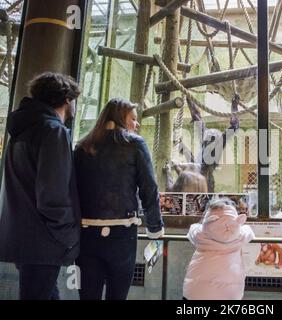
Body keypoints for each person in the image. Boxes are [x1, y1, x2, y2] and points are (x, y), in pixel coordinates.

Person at [0, 72, 81, 300]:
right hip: (43, 240)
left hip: (20, 236)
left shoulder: (21, 131)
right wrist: (69, 235)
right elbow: (53, 194)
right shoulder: (53, 132)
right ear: (66, 99)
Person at [74, 98, 164, 300]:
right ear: (120, 118)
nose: (136, 124)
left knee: (88, 295)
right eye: (133, 119)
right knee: (117, 295)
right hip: (122, 234)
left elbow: (72, 190)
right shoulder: (134, 144)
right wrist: (155, 228)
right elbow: (149, 188)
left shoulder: (82, 147)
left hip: (86, 235)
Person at [183, 198, 255, 300]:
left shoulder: (200, 234)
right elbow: (249, 231)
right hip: (230, 294)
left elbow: (192, 229)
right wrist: (234, 223)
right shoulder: (240, 236)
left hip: (195, 292)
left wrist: (206, 225)